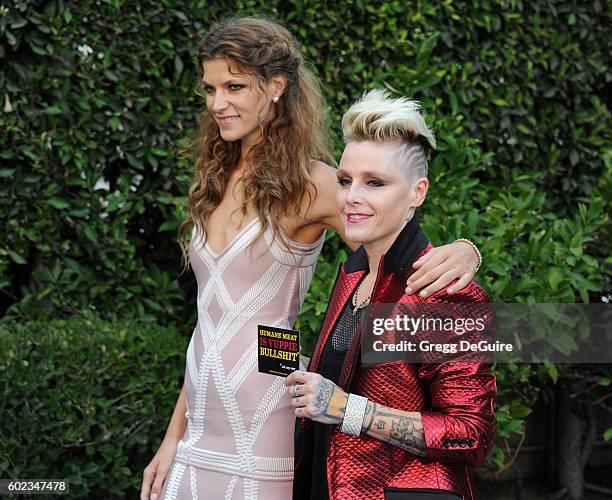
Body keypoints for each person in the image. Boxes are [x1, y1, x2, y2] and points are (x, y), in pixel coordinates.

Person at [140, 18, 482, 500]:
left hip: (265, 417)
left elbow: (394, 245)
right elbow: (211, 324)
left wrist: (464, 252)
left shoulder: (317, 182)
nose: (218, 103)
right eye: (211, 88)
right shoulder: (215, 178)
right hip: (199, 425)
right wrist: (173, 437)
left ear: (276, 86)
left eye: (235, 86)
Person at [287, 89, 496, 500]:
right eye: (345, 181)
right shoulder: (353, 272)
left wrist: (350, 411)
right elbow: (345, 381)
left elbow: (472, 435)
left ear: (417, 193)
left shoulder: (443, 293)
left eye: (375, 183)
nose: (352, 197)